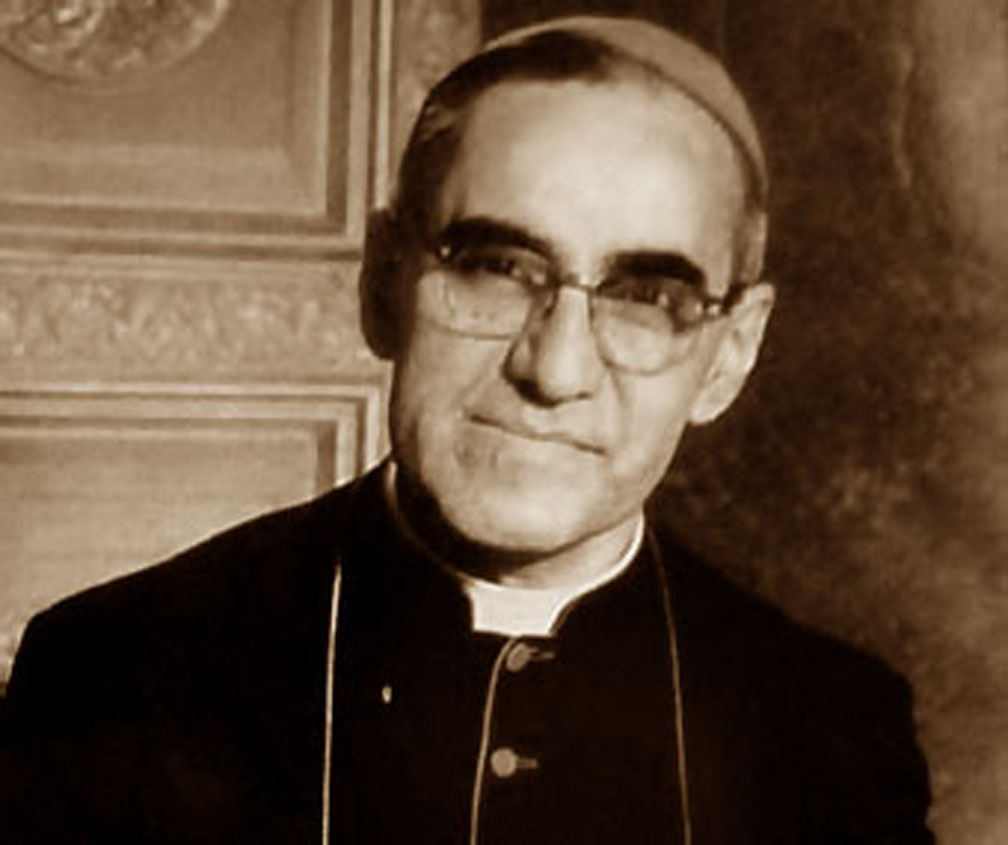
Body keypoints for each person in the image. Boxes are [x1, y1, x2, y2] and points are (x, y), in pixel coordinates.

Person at [1, 16, 933, 844]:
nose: (554, 369)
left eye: (647, 297)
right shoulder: (116, 674)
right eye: (498, 267)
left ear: (729, 354)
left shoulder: (832, 737)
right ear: (384, 284)